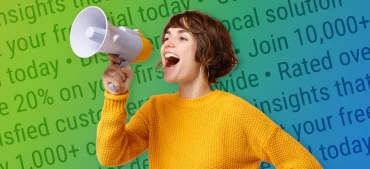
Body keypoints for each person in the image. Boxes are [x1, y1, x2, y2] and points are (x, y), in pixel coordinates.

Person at [96, 10, 323, 169]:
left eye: (182, 37)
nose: (168, 44)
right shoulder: (156, 109)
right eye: (167, 38)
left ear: (207, 54)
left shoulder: (236, 112)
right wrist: (115, 97)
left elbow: (303, 163)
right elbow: (110, 155)